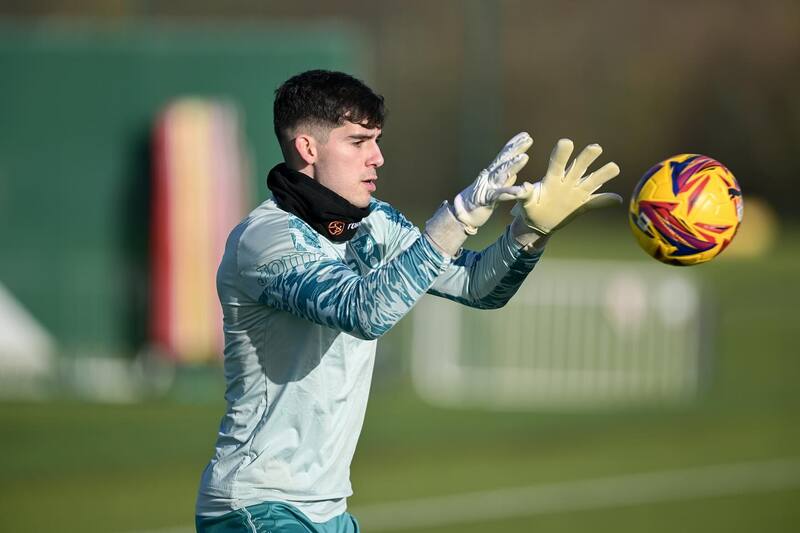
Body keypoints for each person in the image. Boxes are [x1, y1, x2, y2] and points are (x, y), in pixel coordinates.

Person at [195, 69, 621, 532]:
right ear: (308, 148)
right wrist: (455, 218)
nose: (377, 157)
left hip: (330, 511)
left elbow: (477, 286)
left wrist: (528, 232)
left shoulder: (373, 223)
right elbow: (363, 310)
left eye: (376, 140)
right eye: (358, 142)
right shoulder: (267, 239)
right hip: (257, 505)